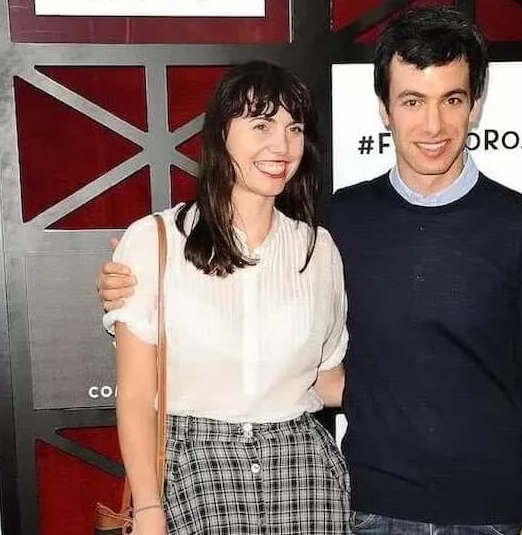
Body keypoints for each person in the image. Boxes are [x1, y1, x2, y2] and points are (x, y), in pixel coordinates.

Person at [99, 7, 522, 535]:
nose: (433, 125)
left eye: (453, 99)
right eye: (412, 101)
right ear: (384, 109)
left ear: (476, 106)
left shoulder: (520, 226)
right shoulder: (338, 224)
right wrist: (128, 277)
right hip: (367, 506)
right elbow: (219, 306)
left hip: (488, 512)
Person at [103, 60, 351, 535]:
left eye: (293, 128)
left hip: (303, 467)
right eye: (261, 125)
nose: (281, 145)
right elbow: (136, 396)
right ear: (221, 134)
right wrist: (150, 508)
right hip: (194, 462)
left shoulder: (318, 251)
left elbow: (326, 380)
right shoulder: (157, 240)